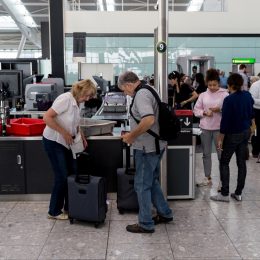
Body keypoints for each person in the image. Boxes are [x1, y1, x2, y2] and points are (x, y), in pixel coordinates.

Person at [118, 71, 173, 233]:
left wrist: (131, 136)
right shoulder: (149, 88)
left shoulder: (141, 94)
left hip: (147, 148)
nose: (125, 93)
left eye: (124, 90)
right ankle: (165, 213)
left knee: (141, 185)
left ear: (128, 85)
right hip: (156, 145)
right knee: (152, 181)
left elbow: (149, 119)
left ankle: (145, 223)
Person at [43, 79, 96, 220]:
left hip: (68, 142)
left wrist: (81, 135)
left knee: (72, 173)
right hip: (54, 141)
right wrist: (64, 133)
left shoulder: (79, 102)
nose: (88, 99)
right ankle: (53, 211)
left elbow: (75, 122)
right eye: (87, 95)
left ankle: (70, 207)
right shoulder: (65, 99)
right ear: (80, 90)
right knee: (61, 175)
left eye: (90, 96)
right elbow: (47, 117)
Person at [210, 73, 254, 202]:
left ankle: (224, 194)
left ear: (229, 85)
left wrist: (220, 139)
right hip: (246, 131)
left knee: (224, 162)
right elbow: (251, 113)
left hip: (233, 134)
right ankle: (238, 193)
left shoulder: (229, 100)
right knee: (241, 163)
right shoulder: (247, 95)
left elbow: (225, 122)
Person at [193, 69, 228, 187]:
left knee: (220, 154)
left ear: (219, 83)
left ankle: (223, 181)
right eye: (210, 85)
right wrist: (204, 113)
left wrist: (220, 110)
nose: (212, 87)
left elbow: (230, 110)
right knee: (206, 154)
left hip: (220, 130)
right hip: (205, 128)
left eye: (214, 85)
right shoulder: (203, 95)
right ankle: (207, 177)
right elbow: (196, 110)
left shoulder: (225, 94)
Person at [249, 79, 260, 159]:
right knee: (257, 132)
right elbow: (252, 99)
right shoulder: (255, 85)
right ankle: (255, 151)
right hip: (257, 111)